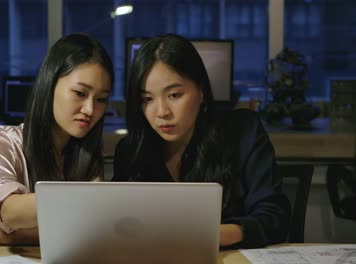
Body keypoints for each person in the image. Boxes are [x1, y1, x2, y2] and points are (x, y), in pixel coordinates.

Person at [112, 34, 290, 249]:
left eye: (174, 95)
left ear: (201, 91)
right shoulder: (131, 151)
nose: (162, 112)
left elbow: (275, 217)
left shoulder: (242, 131)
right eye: (147, 99)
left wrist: (214, 234)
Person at [0, 33, 114, 248]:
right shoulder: (2, 142)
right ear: (49, 86)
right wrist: (91, 204)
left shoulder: (87, 152)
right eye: (80, 93)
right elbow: (11, 213)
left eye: (101, 99)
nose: (90, 109)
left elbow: (87, 231)